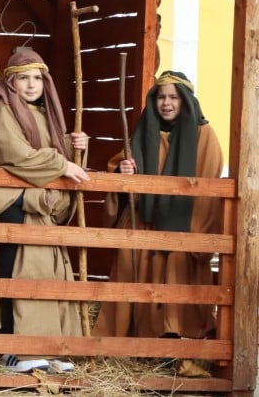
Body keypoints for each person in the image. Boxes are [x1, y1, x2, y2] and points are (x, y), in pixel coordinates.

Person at [0, 49, 90, 374]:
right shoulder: (2, 112)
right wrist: (62, 162)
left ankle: (48, 345)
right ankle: (12, 349)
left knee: (44, 275)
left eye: (37, 78)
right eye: (24, 78)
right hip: (8, 208)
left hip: (38, 211)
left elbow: (59, 167)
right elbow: (21, 158)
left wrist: (77, 149)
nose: (31, 85)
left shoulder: (45, 116)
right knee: (11, 275)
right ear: (11, 81)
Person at [91, 71, 221, 378]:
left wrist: (197, 236)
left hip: (183, 227)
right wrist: (123, 169)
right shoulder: (143, 130)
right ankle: (132, 353)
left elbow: (210, 184)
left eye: (173, 97)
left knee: (175, 287)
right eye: (161, 97)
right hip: (142, 223)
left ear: (186, 101)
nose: (166, 103)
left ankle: (177, 353)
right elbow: (123, 162)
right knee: (135, 283)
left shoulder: (205, 136)